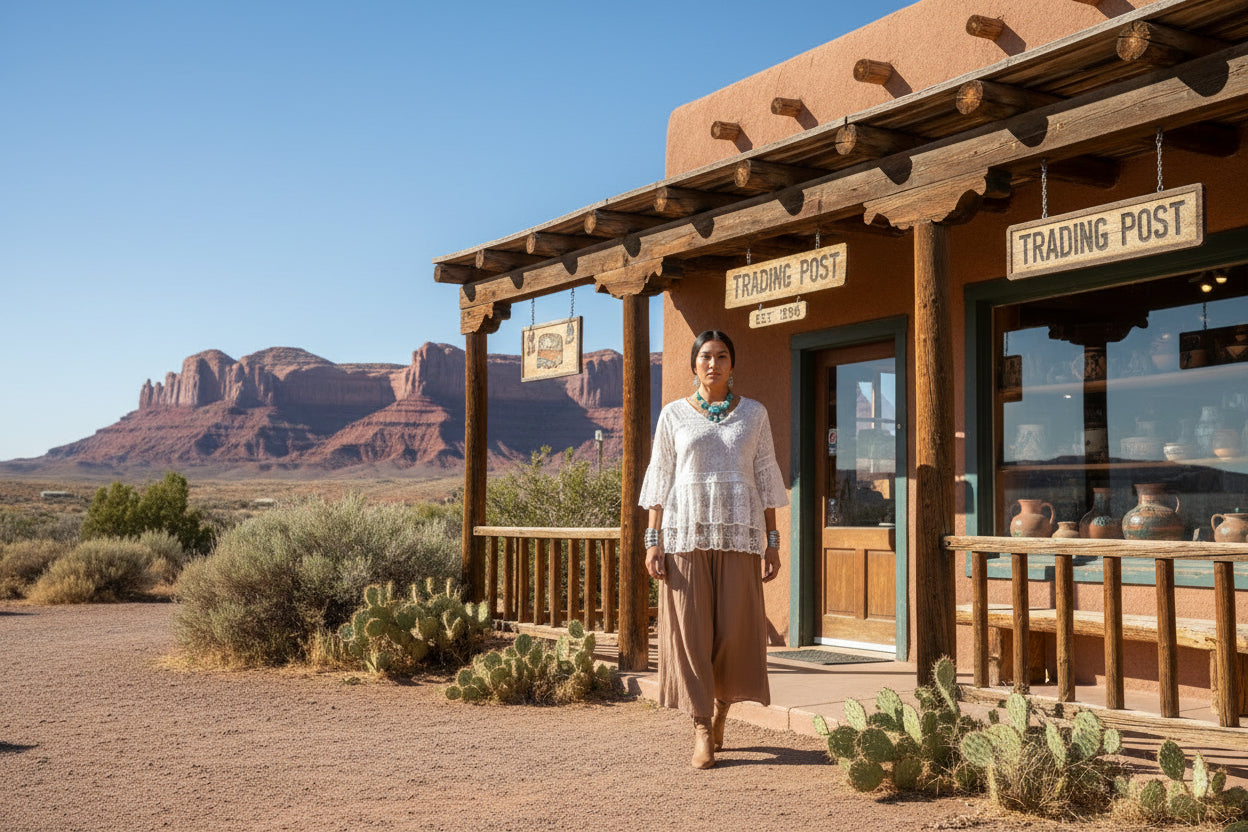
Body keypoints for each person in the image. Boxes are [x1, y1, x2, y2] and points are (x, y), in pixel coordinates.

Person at [638, 329, 788, 769]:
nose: (713, 364)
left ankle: (723, 710)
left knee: (735, 634)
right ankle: (701, 726)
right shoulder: (673, 416)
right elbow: (660, 478)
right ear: (693, 365)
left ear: (732, 365)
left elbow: (765, 478)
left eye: (722, 356)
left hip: (740, 537)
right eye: (705, 356)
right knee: (691, 634)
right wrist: (653, 540)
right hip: (684, 537)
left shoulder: (755, 414)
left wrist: (772, 543)